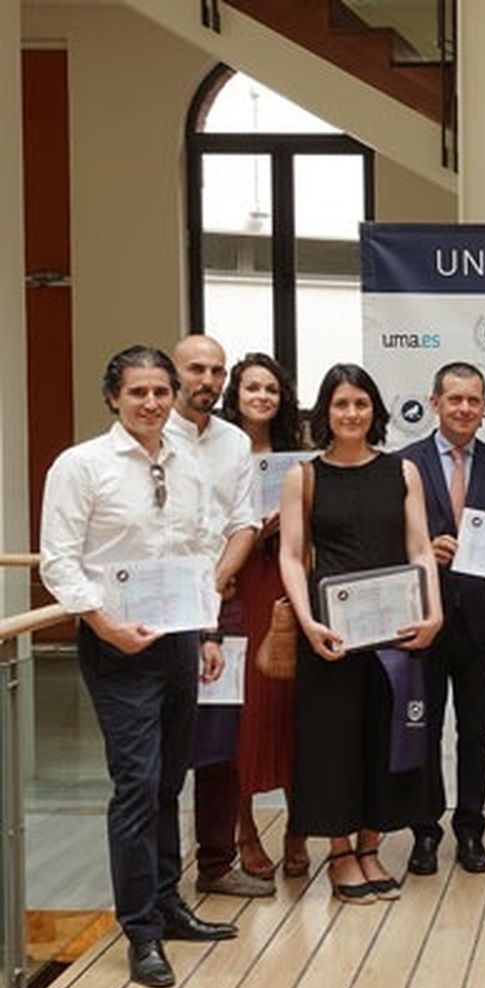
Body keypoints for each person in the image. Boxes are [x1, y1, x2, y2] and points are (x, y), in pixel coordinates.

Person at [40, 345, 238, 988]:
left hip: (178, 639)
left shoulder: (187, 464)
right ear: (113, 398)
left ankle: (168, 903)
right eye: (138, 393)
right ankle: (141, 930)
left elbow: (200, 549)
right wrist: (104, 626)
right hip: (116, 646)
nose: (151, 403)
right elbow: (59, 561)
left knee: (169, 782)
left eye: (160, 392)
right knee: (136, 784)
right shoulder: (81, 466)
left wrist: (207, 629)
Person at [278, 364, 442, 903]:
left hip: (395, 629)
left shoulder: (402, 472)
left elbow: (420, 548)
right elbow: (292, 556)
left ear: (375, 410)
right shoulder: (304, 476)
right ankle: (340, 853)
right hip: (331, 632)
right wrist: (307, 621)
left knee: (384, 737)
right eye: (341, 404)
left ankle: (371, 847)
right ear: (325, 412)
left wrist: (434, 613)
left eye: (361, 403)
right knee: (334, 743)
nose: (352, 413)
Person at [397, 362, 485, 877]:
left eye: (474, 400)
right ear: (435, 403)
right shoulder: (405, 463)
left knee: (477, 733)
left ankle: (471, 829)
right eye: (455, 399)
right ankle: (424, 832)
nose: (464, 409)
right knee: (423, 732)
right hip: (423, 620)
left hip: (481, 622)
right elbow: (390, 543)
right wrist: (424, 550)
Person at [165, 335, 268, 898]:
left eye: (217, 371)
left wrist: (214, 584)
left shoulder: (234, 442)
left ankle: (215, 863)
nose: (207, 380)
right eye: (196, 369)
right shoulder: (153, 435)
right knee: (158, 750)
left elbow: (244, 522)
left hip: (221, 604)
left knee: (221, 743)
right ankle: (159, 881)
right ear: (174, 372)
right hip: (159, 609)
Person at [217, 351, 308, 881]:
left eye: (271, 389)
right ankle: (245, 830)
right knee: (244, 709)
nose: (262, 397)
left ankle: (299, 826)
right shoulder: (219, 452)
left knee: (293, 706)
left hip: (287, 580)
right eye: (252, 388)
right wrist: (251, 535)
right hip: (238, 583)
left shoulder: (297, 456)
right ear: (236, 395)